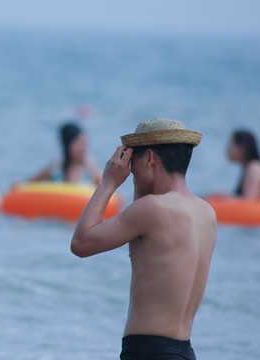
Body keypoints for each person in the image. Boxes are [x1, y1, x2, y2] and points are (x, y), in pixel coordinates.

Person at [71, 118, 217, 360]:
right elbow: (142, 255)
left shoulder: (153, 210)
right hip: (184, 351)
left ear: (150, 158)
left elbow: (81, 243)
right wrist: (142, 181)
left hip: (148, 352)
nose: (129, 169)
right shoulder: (206, 213)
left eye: (132, 160)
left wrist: (107, 182)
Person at [29, 122, 101, 184]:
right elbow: (29, 183)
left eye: (84, 144)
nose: (82, 149)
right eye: (78, 144)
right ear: (67, 145)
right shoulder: (56, 167)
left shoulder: (90, 168)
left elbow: (106, 190)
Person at [227, 129, 260, 199]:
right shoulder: (249, 167)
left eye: (231, 145)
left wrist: (223, 198)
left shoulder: (254, 168)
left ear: (242, 148)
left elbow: (248, 200)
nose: (228, 149)